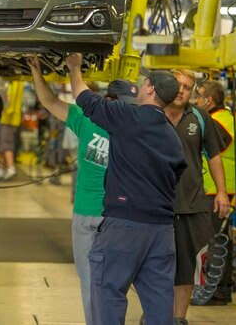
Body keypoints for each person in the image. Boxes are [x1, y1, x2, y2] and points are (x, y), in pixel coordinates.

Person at [67, 53, 186, 325]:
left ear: (150, 89)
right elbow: (178, 171)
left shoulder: (128, 117)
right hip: (161, 231)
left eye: (144, 80)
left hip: (124, 228)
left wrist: (75, 68)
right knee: (159, 302)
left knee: (107, 291)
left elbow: (84, 98)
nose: (141, 83)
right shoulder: (171, 135)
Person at [27, 54, 138, 325]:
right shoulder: (125, 125)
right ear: (109, 101)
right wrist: (36, 72)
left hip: (105, 215)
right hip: (106, 215)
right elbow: (50, 101)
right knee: (101, 282)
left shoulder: (97, 121)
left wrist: (43, 72)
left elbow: (50, 101)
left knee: (99, 282)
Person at [165, 70, 230, 322]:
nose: (182, 90)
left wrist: (221, 192)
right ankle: (157, 314)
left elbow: (214, 156)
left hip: (190, 205)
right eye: (178, 85)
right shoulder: (152, 114)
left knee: (186, 268)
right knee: (151, 266)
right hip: (155, 205)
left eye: (187, 86)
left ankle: (179, 319)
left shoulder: (200, 117)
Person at [194, 79, 236, 305]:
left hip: (217, 191)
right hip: (223, 190)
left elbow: (209, 151)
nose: (195, 101)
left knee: (213, 242)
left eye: (198, 97)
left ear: (209, 100)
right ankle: (219, 289)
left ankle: (216, 292)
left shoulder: (217, 123)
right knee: (219, 240)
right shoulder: (227, 119)